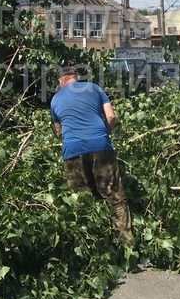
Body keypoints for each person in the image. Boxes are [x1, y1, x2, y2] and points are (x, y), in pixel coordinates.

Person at [50, 64, 134, 247]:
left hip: (72, 150)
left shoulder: (55, 99)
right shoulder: (94, 88)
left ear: (60, 81)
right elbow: (111, 117)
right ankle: (128, 245)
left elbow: (60, 132)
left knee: (81, 199)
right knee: (115, 196)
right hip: (100, 145)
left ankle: (91, 247)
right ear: (75, 77)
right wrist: (105, 135)